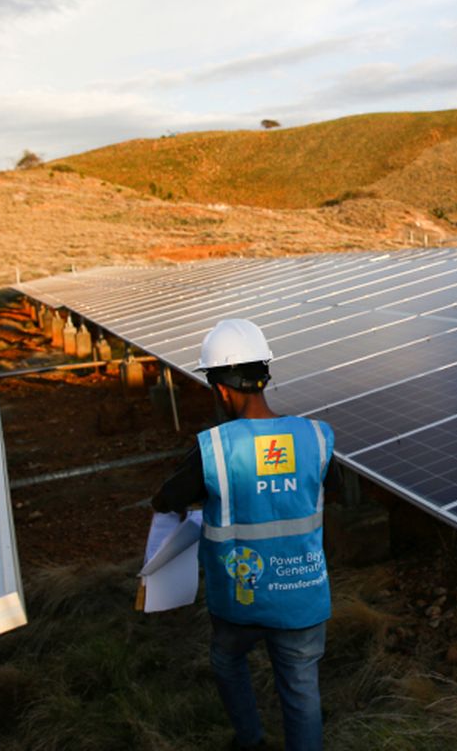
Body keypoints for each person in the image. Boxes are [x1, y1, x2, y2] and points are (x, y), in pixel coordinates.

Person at [152, 318, 337, 751]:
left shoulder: (215, 447)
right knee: (301, 689)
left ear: (221, 390)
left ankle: (250, 740)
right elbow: (331, 488)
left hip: (241, 596)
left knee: (227, 659)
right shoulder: (315, 437)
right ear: (264, 377)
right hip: (302, 594)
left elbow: (166, 498)